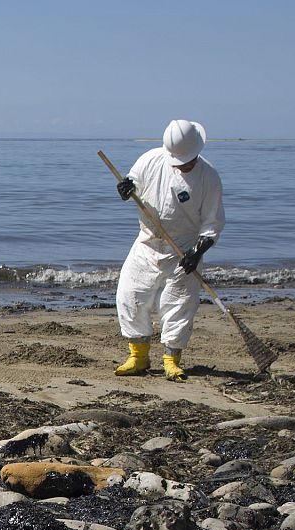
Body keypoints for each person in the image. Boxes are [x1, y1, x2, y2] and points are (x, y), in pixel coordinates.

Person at [113, 119, 225, 382]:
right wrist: (125, 189)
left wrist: (198, 251)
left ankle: (171, 359)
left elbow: (213, 222)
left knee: (179, 304)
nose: (182, 165)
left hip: (184, 248)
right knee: (131, 295)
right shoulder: (151, 159)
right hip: (147, 242)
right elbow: (132, 185)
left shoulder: (209, 176)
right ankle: (138, 356)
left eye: (186, 160)